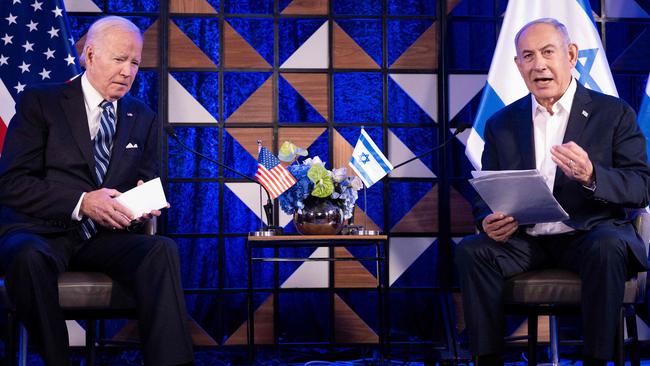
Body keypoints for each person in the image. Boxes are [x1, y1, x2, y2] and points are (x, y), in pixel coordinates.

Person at [0, 16, 194, 366]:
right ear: (89, 55)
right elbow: (12, 183)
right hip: (42, 231)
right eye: (119, 59)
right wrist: (82, 203)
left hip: (103, 237)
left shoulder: (143, 116)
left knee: (161, 250)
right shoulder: (40, 102)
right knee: (25, 255)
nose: (128, 71)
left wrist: (142, 203)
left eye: (134, 62)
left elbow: (145, 181)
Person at [455, 18, 650, 366]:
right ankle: (486, 360)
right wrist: (488, 218)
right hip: (526, 240)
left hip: (588, 235)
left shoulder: (613, 114)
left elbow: (640, 186)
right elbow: (486, 194)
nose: (539, 65)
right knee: (473, 250)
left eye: (548, 52)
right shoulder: (501, 123)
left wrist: (592, 175)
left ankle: (597, 360)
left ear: (571, 55)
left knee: (606, 245)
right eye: (528, 56)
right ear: (518, 65)